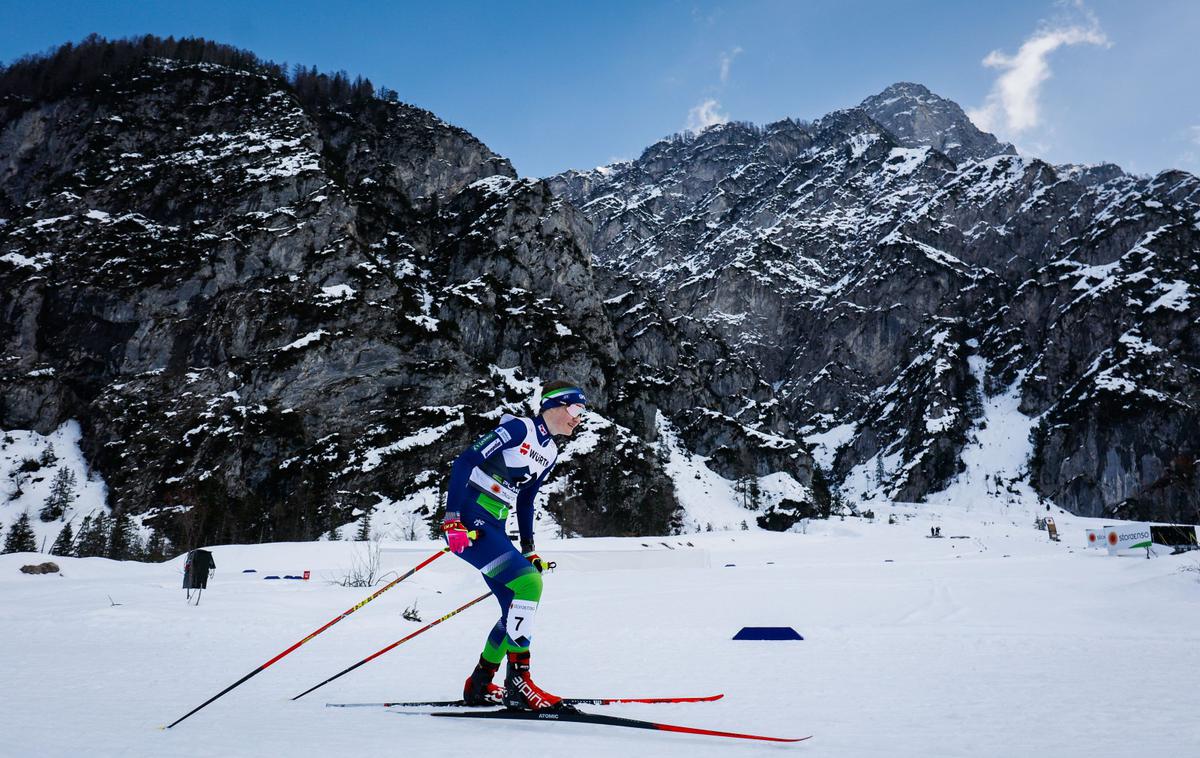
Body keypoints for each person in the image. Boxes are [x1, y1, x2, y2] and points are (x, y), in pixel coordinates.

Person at [442, 381, 587, 711]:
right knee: (529, 584)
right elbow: (465, 462)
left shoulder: (550, 452)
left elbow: (526, 500)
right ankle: (519, 683)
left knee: (514, 607)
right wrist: (452, 519)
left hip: (494, 527)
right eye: (577, 410)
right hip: (470, 523)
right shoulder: (520, 428)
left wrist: (529, 548)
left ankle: (479, 683)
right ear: (555, 406)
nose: (579, 418)